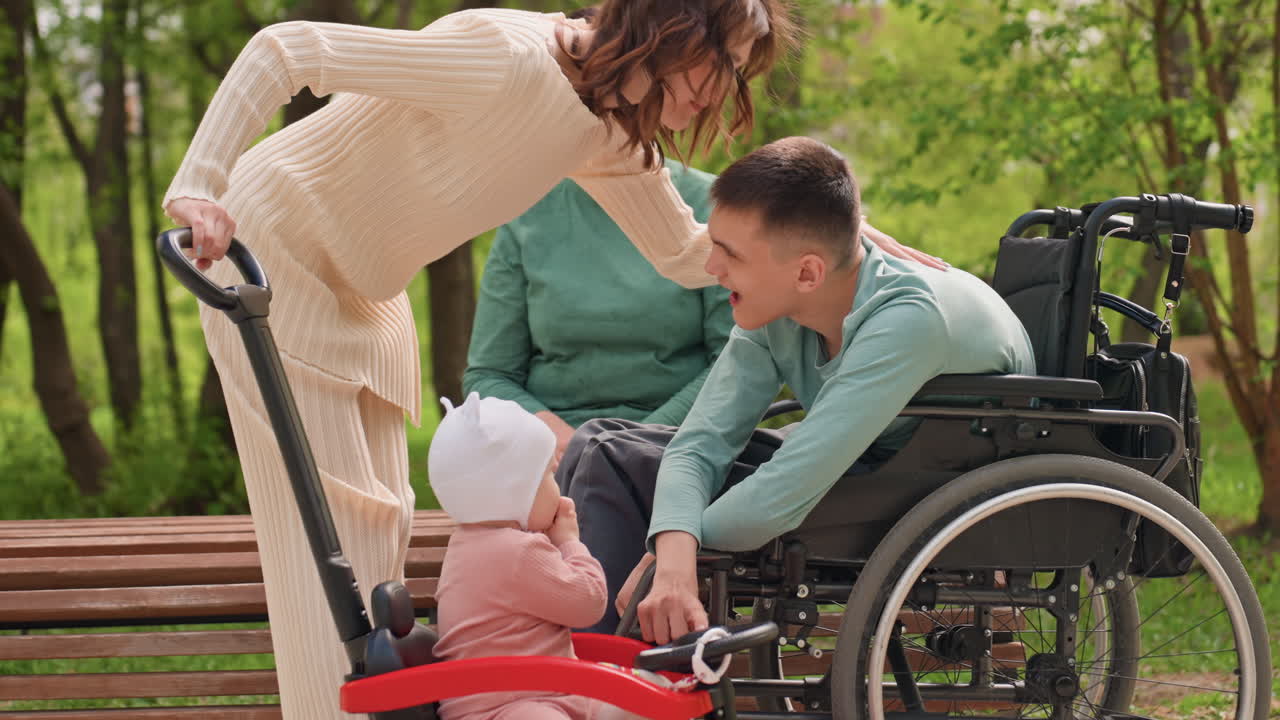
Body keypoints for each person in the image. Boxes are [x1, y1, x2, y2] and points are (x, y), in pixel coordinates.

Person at [160, 2, 939, 715]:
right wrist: (198, 186)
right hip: (274, 253)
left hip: (366, 290)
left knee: (380, 524)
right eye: (721, 60)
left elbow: (685, 252)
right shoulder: (504, 56)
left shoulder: (604, 132)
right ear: (671, 24)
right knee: (323, 546)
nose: (723, 90)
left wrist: (840, 244)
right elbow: (291, 48)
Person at [557, 137, 1037, 640]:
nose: (712, 268)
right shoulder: (783, 300)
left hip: (926, 486)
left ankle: (606, 679)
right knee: (598, 441)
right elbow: (698, 444)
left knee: (614, 460)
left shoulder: (908, 320)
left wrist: (666, 554)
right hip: (858, 464)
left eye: (730, 255)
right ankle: (591, 666)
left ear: (807, 272)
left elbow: (774, 503)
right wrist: (673, 555)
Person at [463, 160, 731, 459]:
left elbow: (736, 364)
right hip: (554, 456)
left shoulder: (713, 202)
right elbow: (489, 376)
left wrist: (633, 445)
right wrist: (560, 440)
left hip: (678, 445)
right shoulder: (528, 207)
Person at [429, 393, 662, 720]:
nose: (559, 488)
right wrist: (570, 542)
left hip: (543, 692)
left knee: (643, 696)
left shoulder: (466, 545)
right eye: (550, 476)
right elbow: (589, 603)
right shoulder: (518, 552)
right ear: (517, 489)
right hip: (510, 708)